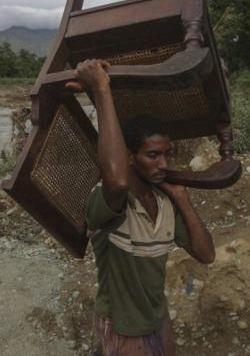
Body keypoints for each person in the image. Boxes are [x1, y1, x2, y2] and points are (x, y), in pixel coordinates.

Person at [68, 59, 215, 356]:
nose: (163, 164)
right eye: (152, 155)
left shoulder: (164, 203)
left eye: (166, 155)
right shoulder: (108, 201)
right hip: (123, 327)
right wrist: (101, 90)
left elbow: (206, 254)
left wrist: (182, 198)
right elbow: (117, 181)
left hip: (157, 320)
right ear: (130, 157)